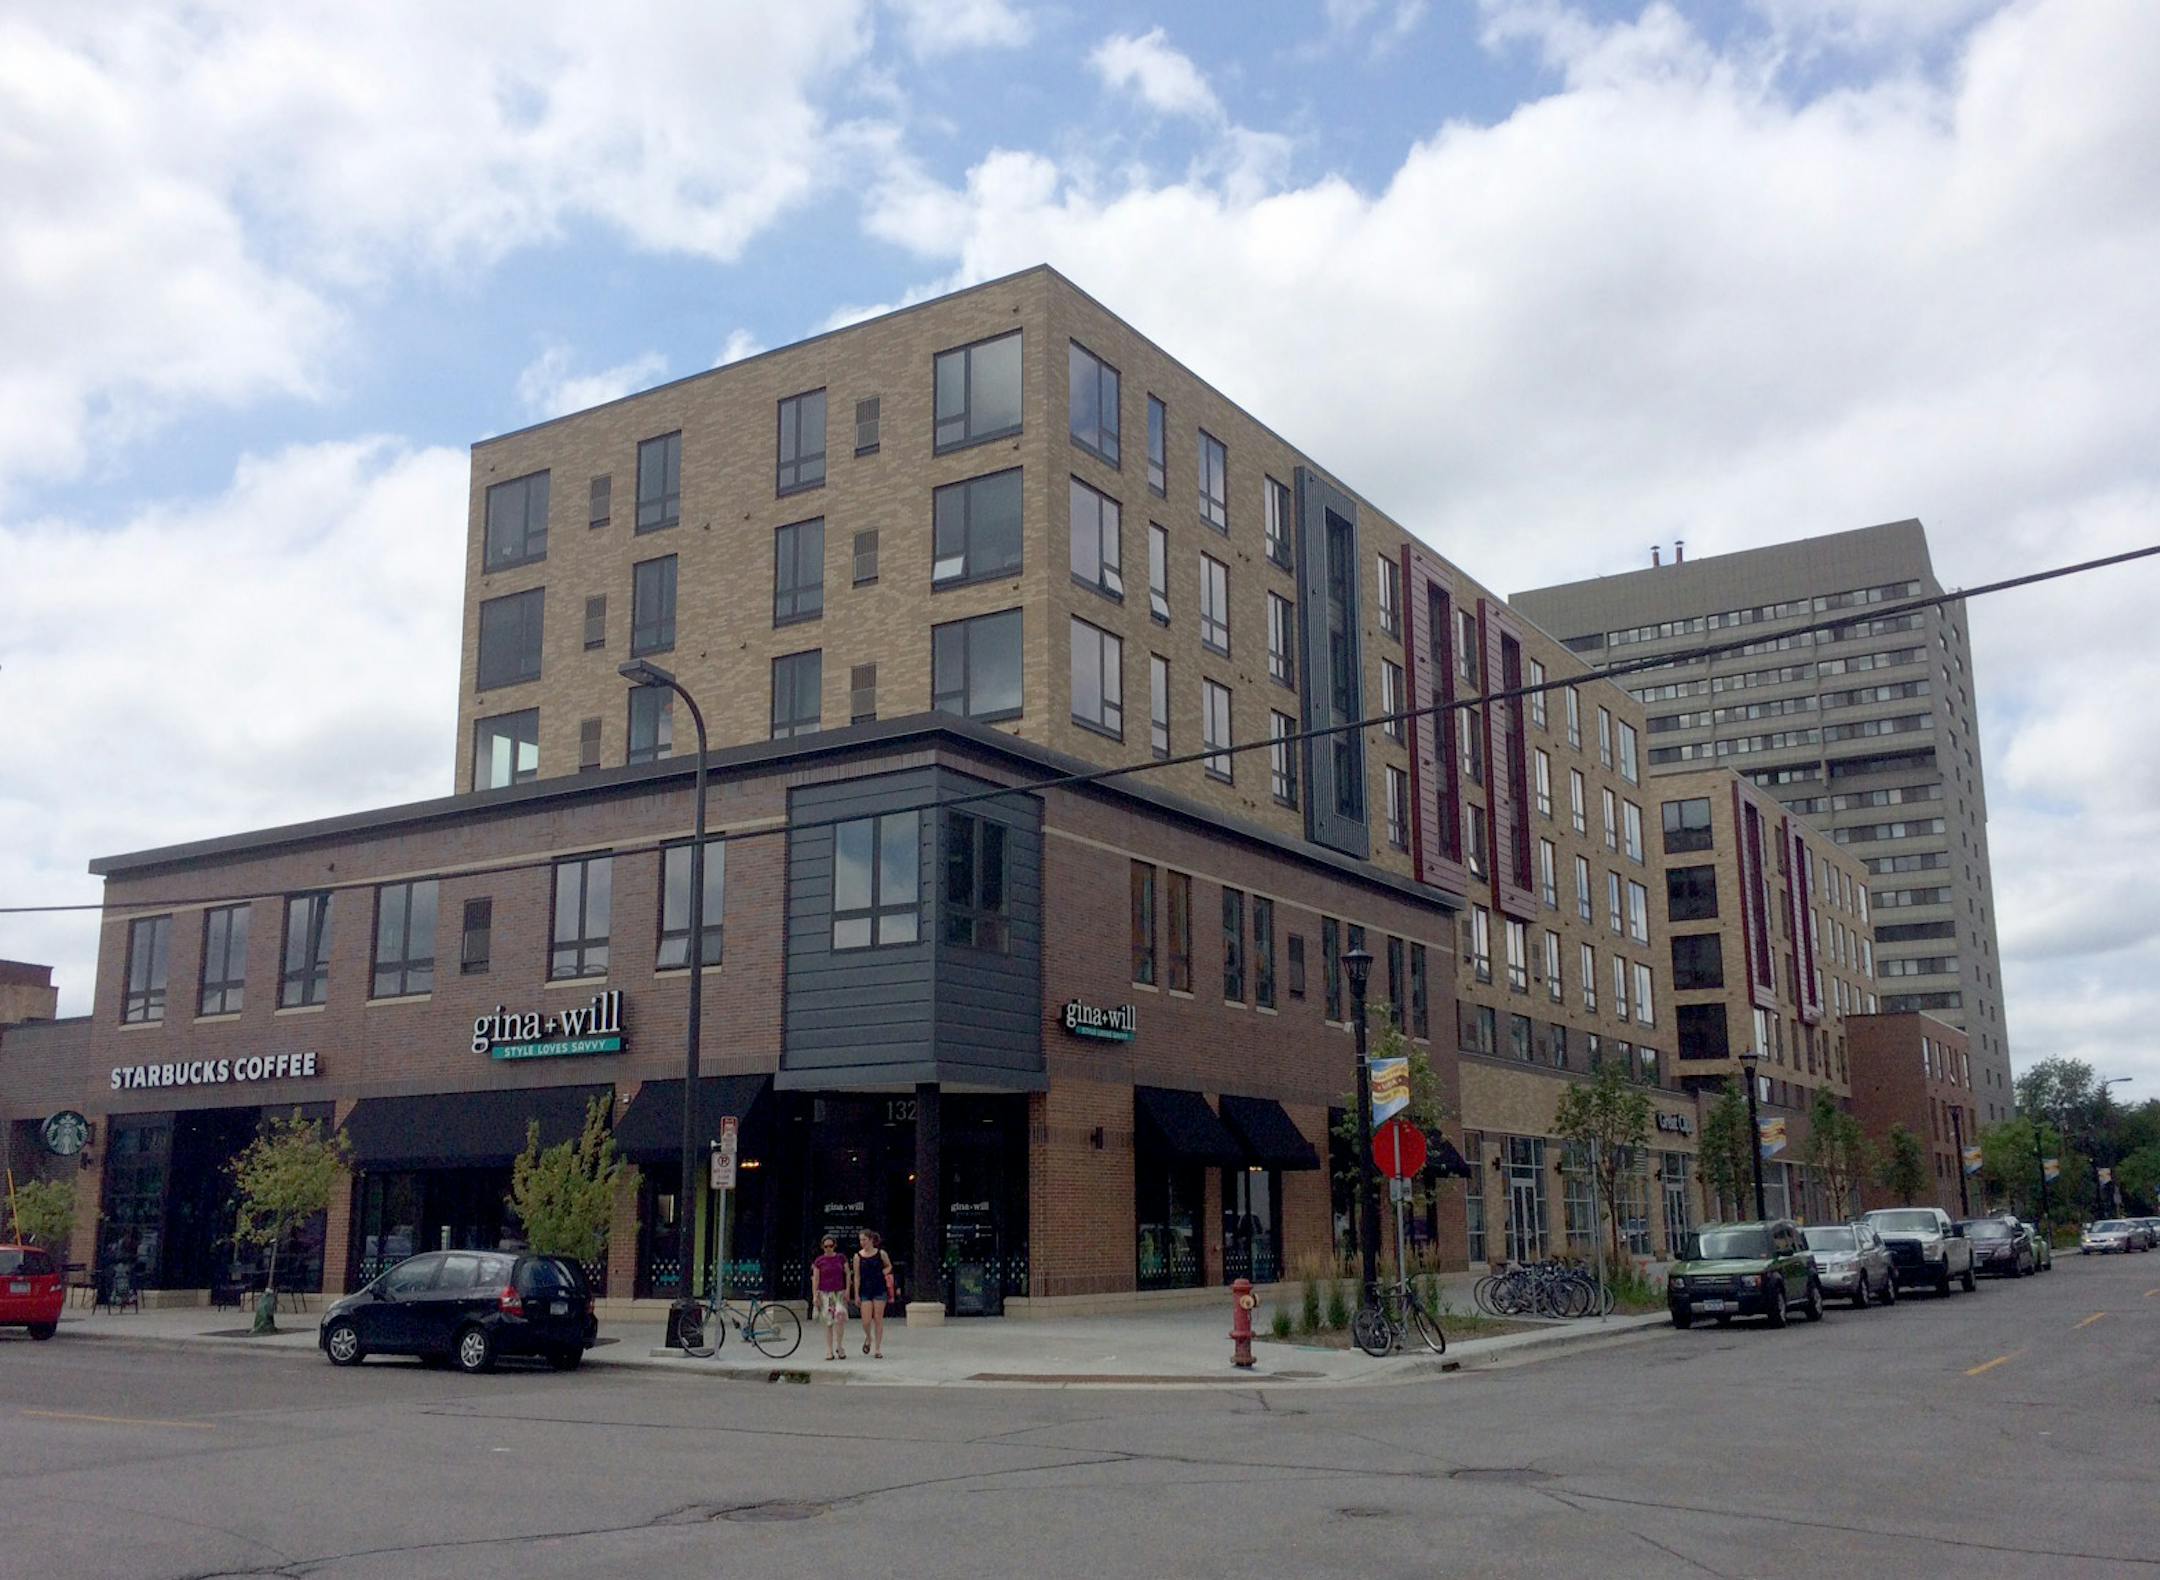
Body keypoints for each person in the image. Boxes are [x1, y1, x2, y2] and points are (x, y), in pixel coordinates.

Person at [850, 1229, 897, 1358]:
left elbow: (889, 1266)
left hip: (879, 1288)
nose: (862, 1242)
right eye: (860, 1240)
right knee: (866, 1320)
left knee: (878, 1318)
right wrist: (856, 1294)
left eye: (864, 1240)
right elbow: (857, 1276)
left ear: (871, 1240)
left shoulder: (881, 1253)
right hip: (865, 1289)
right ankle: (868, 1337)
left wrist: (883, 1272)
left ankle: (877, 1348)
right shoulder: (857, 1257)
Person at [809, 1235, 850, 1361]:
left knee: (840, 1320)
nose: (828, 1249)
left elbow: (847, 1273)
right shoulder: (819, 1261)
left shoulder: (841, 1258)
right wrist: (815, 1295)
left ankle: (839, 1346)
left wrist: (848, 1289)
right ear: (822, 1247)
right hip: (825, 1293)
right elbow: (815, 1279)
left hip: (839, 1292)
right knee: (828, 1322)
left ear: (835, 1246)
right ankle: (829, 1349)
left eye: (831, 1246)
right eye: (826, 1246)